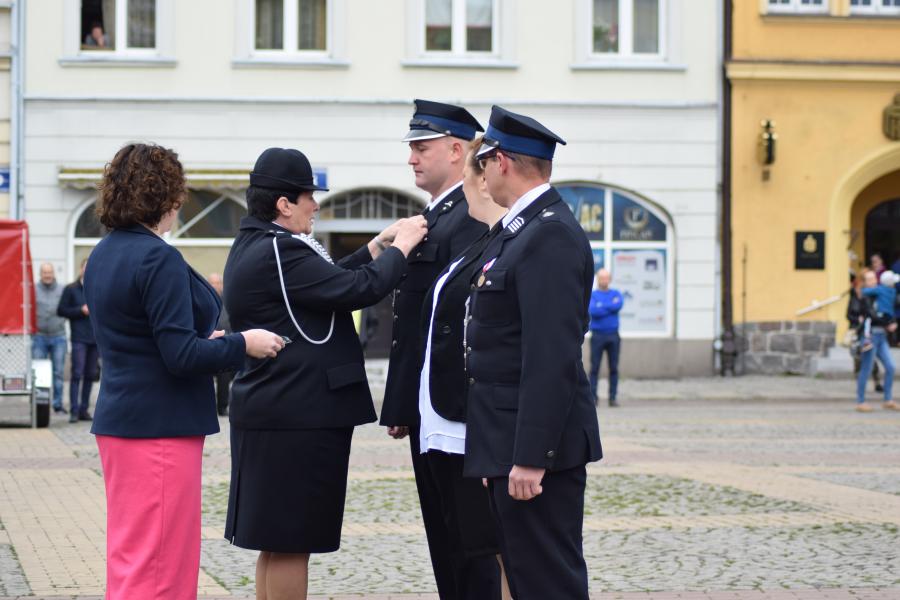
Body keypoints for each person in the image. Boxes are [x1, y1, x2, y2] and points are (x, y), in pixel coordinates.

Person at [222, 147, 427, 600]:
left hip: (277, 410)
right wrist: (405, 246)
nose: (316, 205)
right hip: (298, 413)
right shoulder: (282, 250)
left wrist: (376, 246)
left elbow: (325, 280)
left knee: (275, 543)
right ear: (284, 204)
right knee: (294, 543)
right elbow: (358, 289)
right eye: (309, 196)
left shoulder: (258, 245)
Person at [83, 143, 284, 600]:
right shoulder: (156, 257)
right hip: (160, 426)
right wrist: (241, 343)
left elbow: (143, 339)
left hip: (121, 419)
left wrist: (206, 342)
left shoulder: (104, 253)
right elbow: (179, 356)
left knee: (131, 558)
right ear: (166, 196)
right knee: (162, 565)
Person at [464, 106, 602, 599]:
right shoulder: (519, 230)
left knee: (548, 582)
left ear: (500, 162)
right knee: (525, 578)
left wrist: (529, 457)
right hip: (506, 445)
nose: (480, 175)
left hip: (535, 454)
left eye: (482, 163)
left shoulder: (549, 235)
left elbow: (551, 357)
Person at [379, 99, 488, 597]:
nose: (411, 158)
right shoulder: (435, 217)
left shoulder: (471, 216)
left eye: (421, 147)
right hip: (428, 407)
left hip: (455, 408)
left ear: (457, 149)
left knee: (468, 545)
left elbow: (448, 324)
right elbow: (414, 322)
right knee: (445, 539)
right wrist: (402, 402)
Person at [415, 137, 510, 599]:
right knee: (463, 546)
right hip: (443, 420)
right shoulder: (483, 242)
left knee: (489, 554)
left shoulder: (501, 242)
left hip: (474, 424)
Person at [57, 258, 98, 423]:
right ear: (81, 269)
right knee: (77, 373)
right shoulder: (71, 289)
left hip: (95, 338)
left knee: (90, 375)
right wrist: (80, 311)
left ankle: (84, 409)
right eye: (85, 268)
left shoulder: (98, 288)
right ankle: (74, 410)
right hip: (79, 338)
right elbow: (61, 310)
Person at [854, 269, 897, 412]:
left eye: (874, 278)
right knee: (866, 369)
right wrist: (887, 323)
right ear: (865, 282)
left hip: (881, 336)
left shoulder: (878, 294)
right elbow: (872, 315)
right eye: (870, 279)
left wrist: (891, 322)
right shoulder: (865, 297)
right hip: (869, 337)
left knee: (890, 367)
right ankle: (860, 401)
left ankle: (888, 399)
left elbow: (887, 311)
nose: (874, 281)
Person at [33, 263, 68, 415]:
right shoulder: (33, 290)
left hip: (58, 336)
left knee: (58, 373)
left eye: (50, 272)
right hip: (39, 337)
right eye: (44, 272)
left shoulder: (62, 289)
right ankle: (38, 405)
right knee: (38, 374)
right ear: (40, 274)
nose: (47, 275)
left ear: (53, 273)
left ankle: (58, 405)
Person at [588, 268, 624, 407]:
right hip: (597, 336)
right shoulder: (593, 295)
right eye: (601, 278)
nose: (604, 280)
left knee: (613, 368)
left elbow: (618, 305)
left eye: (606, 278)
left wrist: (601, 306)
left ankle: (613, 397)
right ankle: (593, 397)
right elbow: (593, 311)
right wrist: (609, 306)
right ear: (598, 279)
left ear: (610, 279)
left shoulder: (616, 294)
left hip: (613, 335)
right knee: (594, 368)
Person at [847, 273, 882, 392]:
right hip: (856, 330)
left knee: (872, 357)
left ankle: (877, 381)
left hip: (868, 331)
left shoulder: (869, 297)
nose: (858, 288)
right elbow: (848, 315)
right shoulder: (853, 298)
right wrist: (858, 319)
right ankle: (860, 384)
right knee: (857, 359)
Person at [207, 272, 234, 416]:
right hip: (206, 345)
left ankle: (222, 407)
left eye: (218, 283)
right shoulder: (203, 298)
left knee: (225, 373)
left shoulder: (229, 301)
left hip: (225, 343)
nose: (216, 286)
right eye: (213, 283)